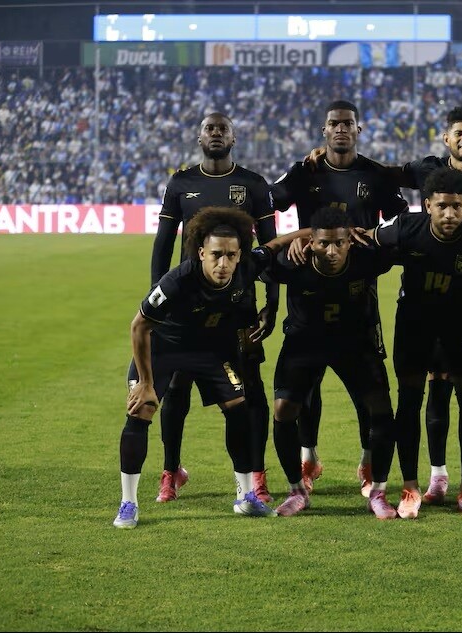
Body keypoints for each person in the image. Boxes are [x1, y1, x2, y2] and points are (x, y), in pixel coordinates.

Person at [304, 106, 462, 502]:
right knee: (437, 384)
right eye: (459, 133)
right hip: (438, 300)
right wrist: (331, 157)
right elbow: (386, 174)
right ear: (447, 138)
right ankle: (437, 475)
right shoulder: (429, 171)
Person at [114, 207, 305, 529]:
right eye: (216, 255)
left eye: (231, 255)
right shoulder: (178, 280)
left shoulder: (247, 267)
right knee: (141, 409)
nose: (223, 263)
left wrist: (312, 233)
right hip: (164, 348)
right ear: (202, 253)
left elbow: (274, 246)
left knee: (239, 409)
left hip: (210, 351)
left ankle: (246, 496)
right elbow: (139, 326)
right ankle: (128, 503)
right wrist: (145, 382)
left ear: (240, 255)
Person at [272, 100, 408, 498]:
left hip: (358, 287)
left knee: (368, 390)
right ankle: (308, 456)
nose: (341, 129)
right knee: (306, 385)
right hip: (308, 282)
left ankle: (368, 459)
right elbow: (270, 200)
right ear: (324, 130)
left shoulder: (374, 174)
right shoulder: (306, 171)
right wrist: (298, 239)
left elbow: (401, 216)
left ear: (358, 129)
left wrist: (374, 237)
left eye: (348, 123)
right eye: (334, 123)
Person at [150, 112, 279, 504]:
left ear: (233, 138)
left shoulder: (253, 184)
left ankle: (256, 474)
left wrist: (272, 303)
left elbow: (270, 247)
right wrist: (157, 298)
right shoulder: (181, 183)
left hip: (240, 306)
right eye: (210, 128)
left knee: (250, 391)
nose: (216, 133)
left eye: (223, 129)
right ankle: (171, 471)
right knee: (177, 389)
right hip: (187, 307)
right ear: (199, 136)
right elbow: (163, 244)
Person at [362, 168, 462, 519]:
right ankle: (410, 488)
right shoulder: (406, 227)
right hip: (414, 325)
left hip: (461, 326)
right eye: (441, 206)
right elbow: (366, 239)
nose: (449, 214)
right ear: (427, 206)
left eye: (456, 206)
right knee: (409, 402)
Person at [265, 208, 399, 519]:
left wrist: (365, 234)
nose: (332, 251)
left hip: (354, 344)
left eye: (339, 243)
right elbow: (258, 257)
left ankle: (378, 492)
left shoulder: (366, 258)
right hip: (304, 343)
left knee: (380, 408)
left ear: (349, 242)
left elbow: (400, 239)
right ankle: (297, 491)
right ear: (311, 243)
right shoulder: (292, 261)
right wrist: (299, 236)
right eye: (323, 243)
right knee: (283, 410)